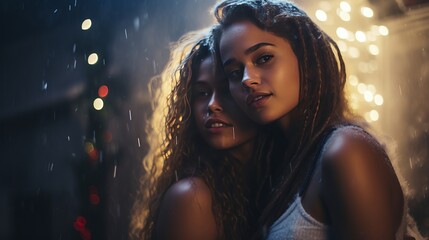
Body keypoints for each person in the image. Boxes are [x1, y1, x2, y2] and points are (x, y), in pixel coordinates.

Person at [212, 0, 425, 239]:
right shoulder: (284, 162)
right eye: (234, 72)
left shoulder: (346, 150)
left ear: (305, 55)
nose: (246, 79)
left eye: (263, 58)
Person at [130, 28, 268, 239]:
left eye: (225, 90)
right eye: (202, 93)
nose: (212, 105)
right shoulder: (192, 198)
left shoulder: (279, 177)